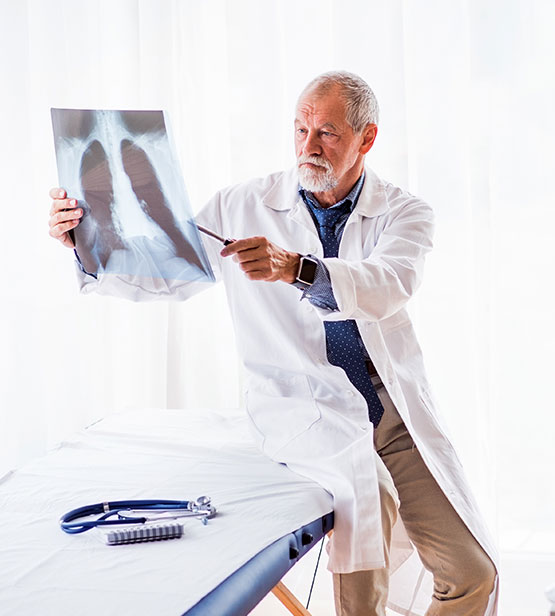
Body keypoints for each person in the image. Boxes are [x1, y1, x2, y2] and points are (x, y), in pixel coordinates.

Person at [49, 71, 498, 615]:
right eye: (301, 129)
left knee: (474, 574)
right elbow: (165, 274)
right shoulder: (242, 206)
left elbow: (388, 284)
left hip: (391, 413)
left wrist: (299, 269)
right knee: (368, 498)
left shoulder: (405, 213)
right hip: (305, 405)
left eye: (327, 133)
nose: (308, 146)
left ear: (367, 138)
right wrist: (84, 240)